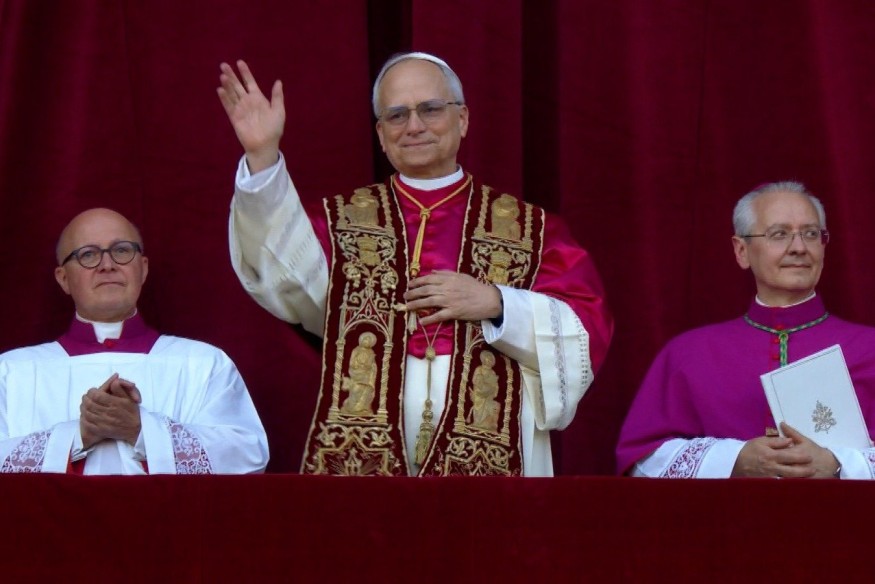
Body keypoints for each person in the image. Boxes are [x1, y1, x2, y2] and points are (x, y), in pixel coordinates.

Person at [217, 52, 613, 476]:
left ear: (462, 119)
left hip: (494, 439)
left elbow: (585, 331)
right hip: (364, 437)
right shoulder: (338, 223)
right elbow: (280, 273)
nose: (414, 126)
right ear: (381, 134)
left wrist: (498, 303)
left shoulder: (531, 230)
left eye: (430, 109)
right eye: (397, 115)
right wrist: (263, 157)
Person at [616, 181, 875, 479]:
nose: (799, 248)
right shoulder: (688, 353)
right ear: (742, 251)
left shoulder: (869, 348)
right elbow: (642, 461)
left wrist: (838, 464)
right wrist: (734, 459)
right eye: (779, 234)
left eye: (811, 233)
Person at [0, 208, 269, 475]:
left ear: (143, 269)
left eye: (121, 250)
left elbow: (247, 455)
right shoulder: (12, 371)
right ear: (63, 279)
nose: (107, 265)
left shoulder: (204, 363)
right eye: (88, 254)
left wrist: (142, 430)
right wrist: (77, 436)